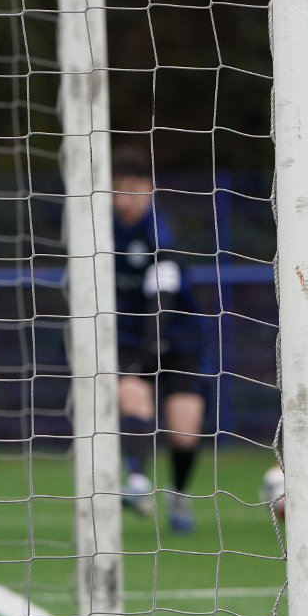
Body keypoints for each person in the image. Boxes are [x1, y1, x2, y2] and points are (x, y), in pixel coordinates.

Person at [111, 146, 206, 534]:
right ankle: (137, 480)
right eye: (119, 190)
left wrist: (154, 345)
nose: (127, 200)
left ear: (149, 190)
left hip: (178, 337)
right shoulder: (98, 229)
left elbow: (162, 296)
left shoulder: (160, 232)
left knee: (184, 432)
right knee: (133, 395)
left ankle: (179, 497)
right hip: (129, 335)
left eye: (135, 191)